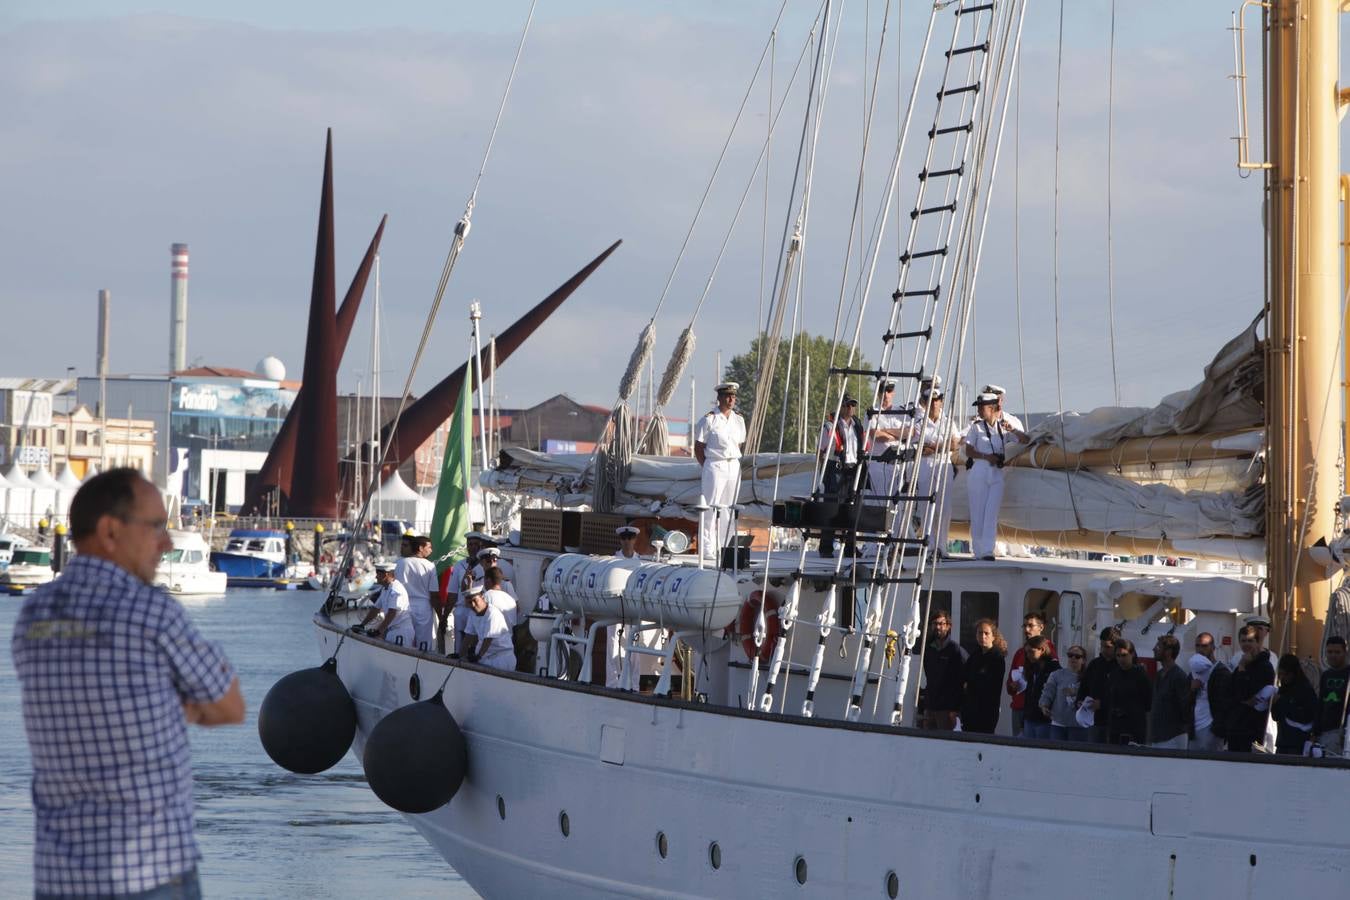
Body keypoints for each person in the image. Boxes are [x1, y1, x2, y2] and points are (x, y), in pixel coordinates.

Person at [12, 468, 244, 897]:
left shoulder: (32, 616)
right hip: (149, 873)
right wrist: (180, 707)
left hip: (60, 878)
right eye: (156, 526)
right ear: (109, 531)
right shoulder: (151, 612)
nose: (167, 543)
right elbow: (229, 707)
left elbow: (85, 697)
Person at [693, 382, 746, 561]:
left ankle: (725, 545)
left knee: (729, 508)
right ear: (719, 398)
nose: (731, 400)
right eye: (727, 396)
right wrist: (708, 466)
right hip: (715, 464)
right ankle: (708, 547)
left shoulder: (739, 419)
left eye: (733, 397)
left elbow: (738, 444)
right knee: (709, 507)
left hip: (733, 465)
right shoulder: (709, 419)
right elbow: (698, 447)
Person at [910, 384, 959, 558]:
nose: (934, 404)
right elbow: (920, 448)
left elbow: (954, 444)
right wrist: (941, 446)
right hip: (926, 465)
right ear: (925, 402)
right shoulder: (918, 423)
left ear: (941, 402)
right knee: (926, 507)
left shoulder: (948, 422)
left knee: (944, 508)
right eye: (930, 400)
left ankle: (942, 546)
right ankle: (929, 546)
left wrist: (935, 446)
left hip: (944, 465)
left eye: (937, 400)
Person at [963, 393, 1011, 560]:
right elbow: (968, 450)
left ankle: (988, 550)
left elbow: (1024, 440)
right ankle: (979, 550)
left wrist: (1013, 430)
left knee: (991, 513)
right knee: (978, 512)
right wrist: (985, 456)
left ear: (991, 408)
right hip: (980, 470)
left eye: (981, 407)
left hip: (997, 472)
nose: (979, 410)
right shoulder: (976, 427)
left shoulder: (1003, 428)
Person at [818, 396, 866, 558]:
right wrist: (823, 473)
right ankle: (826, 547)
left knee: (852, 509)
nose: (851, 408)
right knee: (832, 509)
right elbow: (821, 452)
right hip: (836, 470)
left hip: (853, 471)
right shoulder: (830, 426)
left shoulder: (857, 425)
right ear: (842, 407)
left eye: (853, 405)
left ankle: (850, 547)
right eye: (848, 405)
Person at [1225, 624, 1276, 752]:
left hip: (1253, 727)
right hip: (1236, 726)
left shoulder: (1265, 666)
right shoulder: (1240, 665)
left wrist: (1242, 668)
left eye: (1250, 640)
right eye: (1243, 641)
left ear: (1257, 642)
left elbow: (1246, 694)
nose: (1246, 644)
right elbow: (1233, 693)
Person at [1006, 612, 1056, 738]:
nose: (1027, 630)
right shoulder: (1020, 652)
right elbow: (1009, 682)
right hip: (1019, 707)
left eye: (1031, 625)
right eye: (1025, 626)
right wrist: (1012, 687)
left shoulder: (1049, 653)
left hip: (1037, 713)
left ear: (1041, 627)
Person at [867, 380, 911, 509]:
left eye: (889, 390)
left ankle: (895, 529)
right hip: (878, 464)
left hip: (897, 464)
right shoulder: (872, 412)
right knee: (879, 501)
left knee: (897, 503)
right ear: (878, 393)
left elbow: (909, 433)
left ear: (893, 392)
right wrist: (898, 435)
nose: (886, 394)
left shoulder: (902, 412)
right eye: (883, 390)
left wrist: (886, 432)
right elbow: (876, 435)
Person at [920, 610, 967, 730]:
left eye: (941, 624)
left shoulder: (956, 651)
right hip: (930, 706)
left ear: (948, 626)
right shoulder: (929, 649)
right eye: (935, 623)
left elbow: (962, 680)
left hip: (947, 709)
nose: (938, 627)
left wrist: (956, 709)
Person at [394, 534, 442, 651]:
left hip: (403, 606)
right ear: (420, 548)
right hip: (423, 608)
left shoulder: (400, 563)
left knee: (404, 640)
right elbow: (434, 595)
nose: (431, 550)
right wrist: (441, 616)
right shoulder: (430, 566)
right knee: (423, 643)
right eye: (429, 547)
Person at [959, 618, 1006, 734]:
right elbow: (964, 676)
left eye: (986, 633)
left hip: (986, 711)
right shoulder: (975, 655)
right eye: (980, 633)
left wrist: (971, 684)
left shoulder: (996, 657)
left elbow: (990, 684)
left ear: (993, 636)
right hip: (970, 709)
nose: (983, 636)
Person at [1104, 639, 1152, 745]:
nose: (1121, 659)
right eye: (1118, 656)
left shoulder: (1140, 674)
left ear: (1132, 654)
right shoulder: (1113, 675)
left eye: (1124, 655)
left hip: (1134, 728)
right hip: (1115, 728)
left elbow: (1148, 703)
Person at [444, 531, 485, 655]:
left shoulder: (485, 566)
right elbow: (452, 593)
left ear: (480, 546)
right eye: (470, 544)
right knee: (460, 644)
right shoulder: (459, 566)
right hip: (462, 610)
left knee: (476, 642)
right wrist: (444, 616)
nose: (472, 548)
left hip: (479, 610)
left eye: (475, 545)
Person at [1078, 626, 1120, 743]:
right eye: (1102, 646)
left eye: (1107, 647)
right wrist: (1080, 701)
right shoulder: (1095, 664)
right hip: (1094, 721)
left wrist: (1103, 704)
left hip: (1115, 723)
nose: (1103, 650)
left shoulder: (1121, 667)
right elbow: (1084, 687)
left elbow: (1125, 696)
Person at [1190, 631, 1230, 752]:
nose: (1200, 649)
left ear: (1213, 647)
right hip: (1194, 727)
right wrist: (1191, 689)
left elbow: (1225, 704)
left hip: (1211, 727)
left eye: (1204, 646)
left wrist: (1217, 729)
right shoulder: (1193, 672)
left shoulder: (1221, 672)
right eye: (1198, 646)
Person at [1272, 653, 1319, 756]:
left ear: (1294, 673)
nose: (1282, 678)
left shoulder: (1305, 690)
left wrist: (1283, 702)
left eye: (1286, 674)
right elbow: (1276, 716)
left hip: (1298, 744)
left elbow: (1307, 716)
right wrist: (1274, 703)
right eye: (1280, 674)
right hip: (1282, 742)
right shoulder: (1282, 689)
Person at [1149, 634, 1191, 750]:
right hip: (1158, 737)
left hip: (1173, 738)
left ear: (1168, 652)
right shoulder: (1159, 675)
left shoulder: (1179, 677)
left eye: (1158, 647)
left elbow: (1185, 709)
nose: (1154, 649)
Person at [463, 582, 518, 671]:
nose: (472, 605)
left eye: (475, 600)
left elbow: (488, 640)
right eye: (469, 602)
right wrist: (459, 655)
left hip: (501, 659)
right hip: (485, 659)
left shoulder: (492, 613)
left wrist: (478, 657)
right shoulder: (472, 614)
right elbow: (468, 636)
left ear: (482, 597)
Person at [358, 561, 415, 646]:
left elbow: (392, 613)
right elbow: (375, 609)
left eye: (378, 574)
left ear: (386, 574)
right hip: (392, 631)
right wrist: (362, 625)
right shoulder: (386, 589)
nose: (376, 576)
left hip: (402, 633)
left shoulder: (395, 590)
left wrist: (379, 631)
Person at [1041, 644, 1087, 741]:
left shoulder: (1089, 677)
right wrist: (1044, 706)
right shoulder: (1056, 675)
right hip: (1058, 723)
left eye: (1077, 656)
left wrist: (1075, 692)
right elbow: (1048, 691)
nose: (1073, 658)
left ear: (1083, 660)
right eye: (1070, 655)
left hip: (1078, 725)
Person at [1314, 635, 1350, 755]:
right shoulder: (1326, 675)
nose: (1333, 655)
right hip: (1324, 732)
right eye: (1330, 652)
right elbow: (1320, 703)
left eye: (1337, 652)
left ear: (1345, 652)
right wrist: (1315, 731)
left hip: (1342, 733)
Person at [1021, 636, 1060, 739]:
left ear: (1042, 650)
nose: (1028, 655)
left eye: (1031, 652)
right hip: (1030, 717)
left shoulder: (1054, 669)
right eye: (1027, 652)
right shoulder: (1033, 667)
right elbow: (1029, 694)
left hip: (1044, 720)